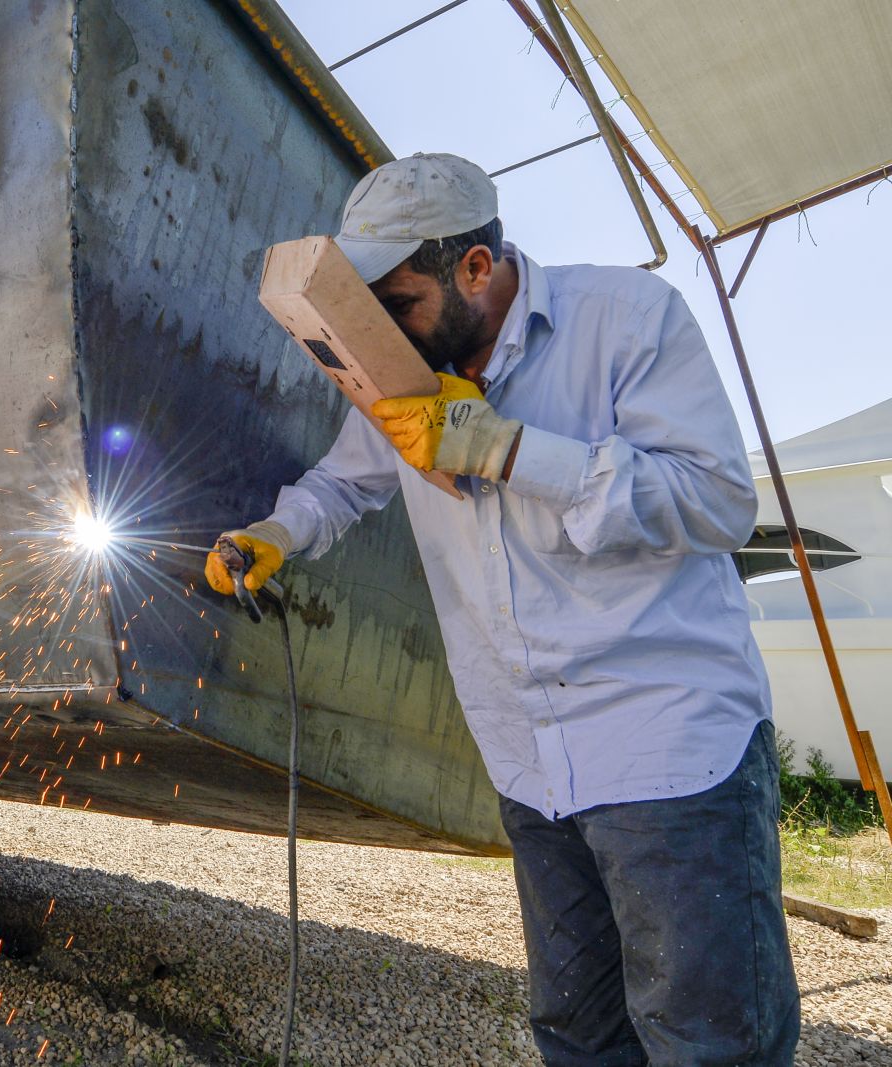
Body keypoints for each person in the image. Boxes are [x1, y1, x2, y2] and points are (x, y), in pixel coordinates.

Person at [208, 153, 799, 1065]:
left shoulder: (628, 320)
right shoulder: (405, 369)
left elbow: (718, 503)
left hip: (668, 752)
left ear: (474, 270)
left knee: (708, 1043)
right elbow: (343, 483)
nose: (385, 335)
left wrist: (513, 449)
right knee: (579, 1035)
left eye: (397, 304)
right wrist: (278, 533)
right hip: (532, 762)